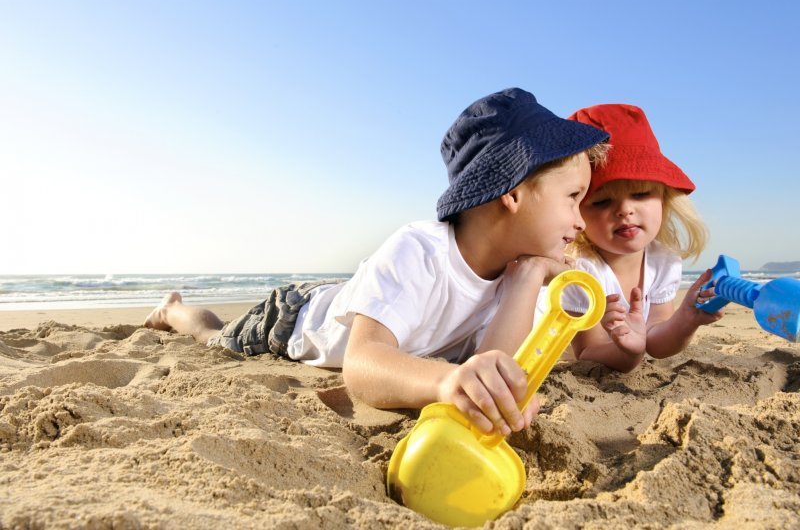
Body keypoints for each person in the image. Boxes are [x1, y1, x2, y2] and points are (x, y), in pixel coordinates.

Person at [143, 88, 610, 436]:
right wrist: (448, 382)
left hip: (359, 299)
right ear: (512, 192)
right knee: (213, 337)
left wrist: (528, 278)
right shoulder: (421, 251)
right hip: (294, 318)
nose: (581, 221)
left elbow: (494, 365)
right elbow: (362, 364)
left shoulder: (517, 266)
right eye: (573, 198)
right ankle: (172, 311)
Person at [558, 103, 724, 372]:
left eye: (640, 194)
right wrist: (628, 353)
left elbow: (656, 343)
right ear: (577, 212)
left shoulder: (662, 260)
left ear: (664, 198)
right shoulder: (579, 270)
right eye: (602, 202)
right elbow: (587, 351)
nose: (625, 210)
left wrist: (686, 320)